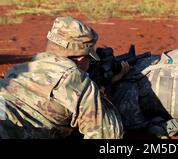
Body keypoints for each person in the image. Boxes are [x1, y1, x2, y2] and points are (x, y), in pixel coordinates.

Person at [0, 16, 128, 139]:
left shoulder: (18, 70)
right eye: (90, 59)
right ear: (81, 58)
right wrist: (101, 95)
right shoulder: (75, 79)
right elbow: (108, 135)